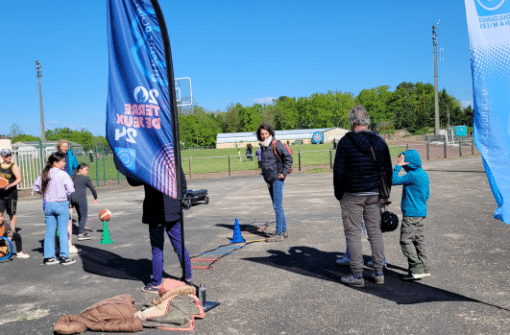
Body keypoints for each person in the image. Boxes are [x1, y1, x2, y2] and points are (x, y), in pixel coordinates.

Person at [333, 105, 392, 287]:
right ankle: (378, 272)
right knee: (375, 233)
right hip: (374, 193)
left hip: (352, 194)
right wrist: (385, 193)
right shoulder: (380, 141)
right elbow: (387, 169)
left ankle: (357, 275)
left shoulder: (345, 141)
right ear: (367, 121)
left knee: (353, 234)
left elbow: (339, 171)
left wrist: (339, 193)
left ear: (352, 122)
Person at [127, 170, 192, 293]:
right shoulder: (172, 162)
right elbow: (183, 185)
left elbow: (133, 180)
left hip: (156, 212)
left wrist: (126, 167)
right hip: (173, 211)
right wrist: (178, 202)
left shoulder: (150, 164)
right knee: (179, 245)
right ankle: (187, 276)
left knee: (157, 248)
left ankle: (157, 283)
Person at [392, 149, 430, 280]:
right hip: (421, 212)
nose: (400, 161)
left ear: (409, 162)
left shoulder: (412, 175)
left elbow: (393, 180)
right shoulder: (423, 174)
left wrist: (397, 167)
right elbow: (426, 195)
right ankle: (424, 268)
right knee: (419, 241)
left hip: (411, 214)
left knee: (406, 240)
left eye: (402, 159)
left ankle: (417, 268)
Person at [33, 152, 76, 265]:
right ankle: (64, 257)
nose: (65, 163)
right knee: (62, 231)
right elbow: (71, 189)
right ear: (55, 163)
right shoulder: (63, 174)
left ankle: (49, 257)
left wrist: (44, 193)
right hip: (61, 204)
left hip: (48, 205)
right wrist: (64, 193)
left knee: (50, 232)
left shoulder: (45, 174)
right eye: (62, 161)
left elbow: (36, 187)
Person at [256, 123, 293, 242]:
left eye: (266, 133)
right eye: (262, 134)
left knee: (277, 206)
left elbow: (288, 158)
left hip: (277, 178)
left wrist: (283, 173)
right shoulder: (263, 146)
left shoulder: (275, 143)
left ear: (270, 133)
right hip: (269, 179)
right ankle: (283, 230)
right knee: (278, 206)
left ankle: (279, 233)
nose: (264, 136)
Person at [56, 139, 80, 253]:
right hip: (58, 188)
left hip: (68, 186)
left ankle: (69, 244)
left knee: (69, 215)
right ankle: (58, 245)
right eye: (64, 146)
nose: (65, 147)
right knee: (58, 217)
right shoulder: (55, 156)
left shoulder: (71, 155)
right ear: (59, 146)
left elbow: (77, 167)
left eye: (67, 146)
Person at [70, 163, 98, 241]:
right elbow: (92, 188)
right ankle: (81, 234)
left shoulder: (72, 177)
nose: (87, 171)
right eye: (86, 170)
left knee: (80, 214)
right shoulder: (85, 178)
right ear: (80, 170)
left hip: (71, 199)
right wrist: (95, 197)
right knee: (84, 215)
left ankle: (80, 228)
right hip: (81, 199)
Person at [0, 149, 22, 234]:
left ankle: (12, 232)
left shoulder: (13, 166)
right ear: (2, 157)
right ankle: (1, 232)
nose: (9, 157)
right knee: (0, 213)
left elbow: (19, 179)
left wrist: (9, 185)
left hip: (11, 194)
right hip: (0, 194)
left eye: (10, 155)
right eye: (7, 156)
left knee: (11, 214)